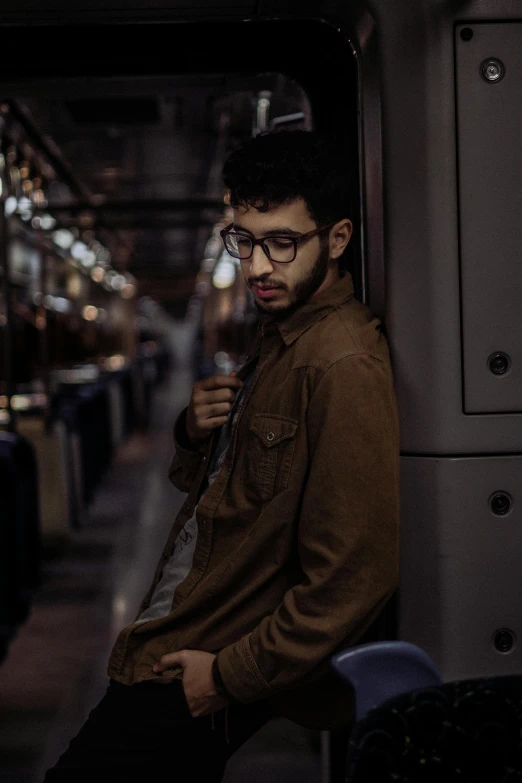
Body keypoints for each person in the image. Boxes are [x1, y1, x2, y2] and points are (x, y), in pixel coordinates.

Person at [44, 130, 400, 782]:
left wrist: (227, 676)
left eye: (282, 243)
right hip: (183, 628)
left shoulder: (340, 362)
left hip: (207, 655)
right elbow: (224, 496)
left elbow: (354, 575)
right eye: (246, 240)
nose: (259, 266)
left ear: (339, 238)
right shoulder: (278, 341)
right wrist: (195, 431)